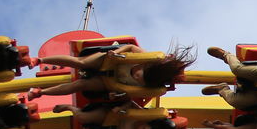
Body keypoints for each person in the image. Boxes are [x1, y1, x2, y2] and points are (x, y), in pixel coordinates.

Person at [36, 43, 194, 96]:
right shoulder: (149, 60)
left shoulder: (152, 86)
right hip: (111, 62)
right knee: (81, 63)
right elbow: (131, 47)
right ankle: (40, 60)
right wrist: (115, 53)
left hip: (112, 81)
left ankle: (40, 92)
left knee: (80, 85)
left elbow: (131, 94)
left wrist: (116, 94)